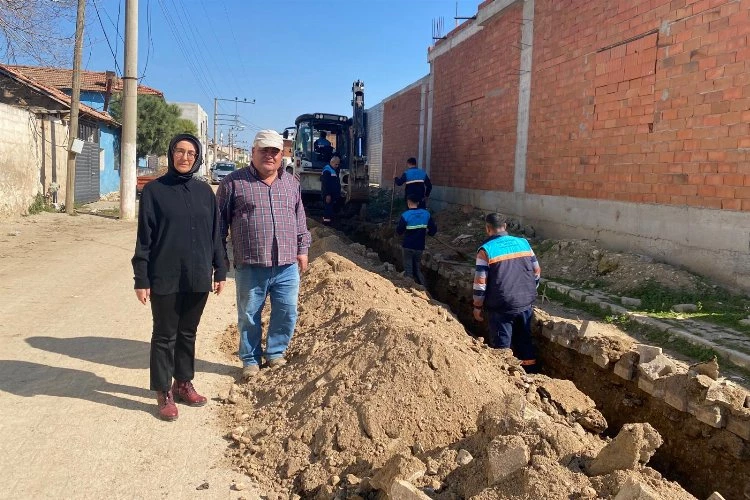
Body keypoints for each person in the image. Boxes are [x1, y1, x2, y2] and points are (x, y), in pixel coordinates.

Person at [132, 133, 227, 421]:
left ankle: (183, 382)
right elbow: (144, 239)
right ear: (171, 153)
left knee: (188, 332)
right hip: (165, 275)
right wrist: (141, 278)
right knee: (164, 335)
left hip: (197, 275)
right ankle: (164, 391)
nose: (185, 157)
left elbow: (215, 236)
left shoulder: (204, 193)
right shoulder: (154, 192)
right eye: (179, 151)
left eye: (190, 153)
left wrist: (220, 268)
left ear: (197, 157)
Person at [217, 130, 312, 381]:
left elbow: (299, 219)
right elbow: (218, 225)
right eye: (264, 150)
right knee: (249, 314)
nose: (269, 156)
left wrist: (302, 250)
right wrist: (218, 259)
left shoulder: (292, 183)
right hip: (250, 264)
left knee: (287, 310)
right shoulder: (233, 183)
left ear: (282, 155)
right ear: (253, 152)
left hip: (287, 264)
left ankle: (275, 353)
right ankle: (250, 360)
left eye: (275, 151)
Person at [472, 213, 541, 373]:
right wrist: (527, 292)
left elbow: (480, 283)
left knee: (502, 347)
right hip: (525, 304)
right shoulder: (524, 243)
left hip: (501, 307)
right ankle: (531, 376)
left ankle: (507, 379)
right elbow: (536, 272)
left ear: (488, 229)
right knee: (524, 341)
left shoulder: (486, 250)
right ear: (505, 226)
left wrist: (477, 306)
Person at [396, 193, 437, 285]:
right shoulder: (426, 214)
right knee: (417, 268)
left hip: (408, 246)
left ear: (408, 202)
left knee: (408, 269)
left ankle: (410, 287)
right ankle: (423, 286)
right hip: (419, 247)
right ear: (418, 202)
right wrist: (428, 232)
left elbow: (399, 231)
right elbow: (433, 230)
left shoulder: (406, 215)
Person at [320, 154, 341, 225]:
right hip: (328, 195)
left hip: (332, 195)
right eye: (336, 164)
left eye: (338, 164)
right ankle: (326, 225)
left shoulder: (332, 170)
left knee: (330, 209)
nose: (337, 166)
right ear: (331, 162)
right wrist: (327, 195)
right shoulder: (327, 170)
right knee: (328, 210)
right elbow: (325, 184)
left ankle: (329, 223)